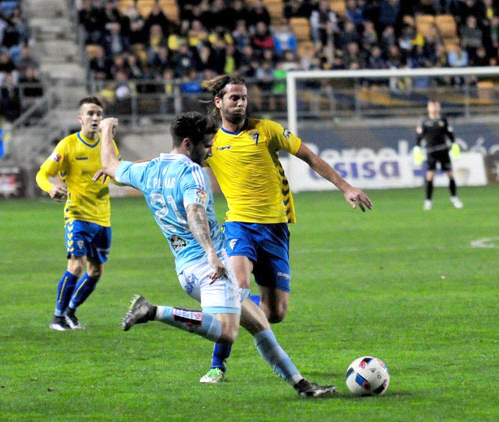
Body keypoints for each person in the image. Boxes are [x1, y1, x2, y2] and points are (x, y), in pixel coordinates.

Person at [98, 112, 336, 397]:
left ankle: (302, 385)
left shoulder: (148, 170)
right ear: (188, 144)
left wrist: (105, 130)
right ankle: (152, 311)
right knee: (227, 332)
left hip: (185, 267)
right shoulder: (192, 173)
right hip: (208, 265)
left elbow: (109, 164)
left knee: (260, 324)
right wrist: (212, 253)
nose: (211, 151)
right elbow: (194, 212)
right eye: (207, 145)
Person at [199, 74, 373, 383]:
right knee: (238, 288)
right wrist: (122, 169)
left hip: (276, 229)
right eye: (234, 98)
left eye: (243, 97)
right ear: (219, 102)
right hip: (239, 225)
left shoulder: (267, 130)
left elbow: (308, 156)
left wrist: (345, 187)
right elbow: (175, 160)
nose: (240, 103)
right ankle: (217, 364)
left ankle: (235, 312)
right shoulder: (211, 142)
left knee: (276, 312)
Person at [35, 97, 119, 331]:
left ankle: (71, 312)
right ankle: (57, 317)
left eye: (99, 114)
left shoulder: (108, 145)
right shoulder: (67, 145)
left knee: (96, 271)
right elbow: (42, 174)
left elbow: (119, 178)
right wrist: (50, 187)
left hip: (103, 217)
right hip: (77, 215)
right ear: (80, 119)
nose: (95, 118)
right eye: (90, 114)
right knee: (76, 265)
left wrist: (116, 173)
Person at [414, 100, 463, 210]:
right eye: (432, 106)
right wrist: (417, 148)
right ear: (428, 108)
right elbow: (419, 137)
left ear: (439, 108)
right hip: (431, 152)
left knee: (450, 174)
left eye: (436, 106)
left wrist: (454, 145)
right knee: (430, 175)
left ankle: (454, 198)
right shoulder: (424, 122)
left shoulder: (443, 120)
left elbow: (450, 135)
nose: (434, 108)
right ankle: (428, 201)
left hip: (443, 150)